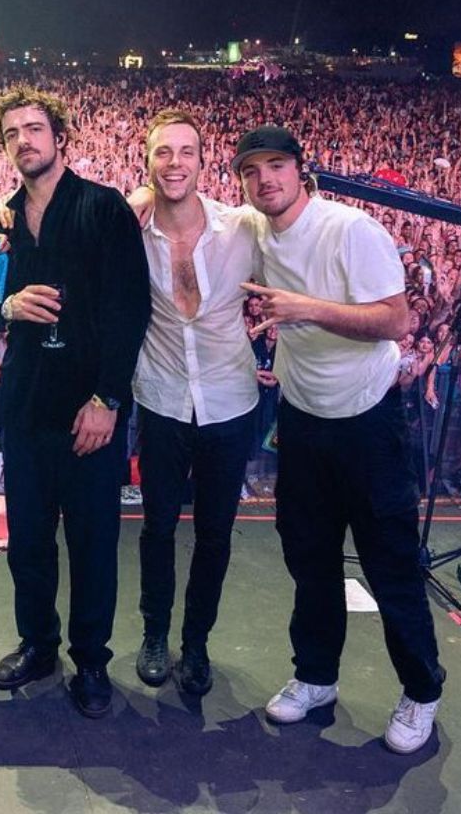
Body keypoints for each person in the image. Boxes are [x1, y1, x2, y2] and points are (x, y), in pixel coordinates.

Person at [234, 124, 444, 755]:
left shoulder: (349, 229)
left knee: (391, 564)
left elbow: (396, 320)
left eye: (276, 165)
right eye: (252, 170)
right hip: (302, 420)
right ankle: (315, 676)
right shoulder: (256, 230)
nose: (265, 179)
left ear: (302, 170)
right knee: (310, 559)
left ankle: (421, 690)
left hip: (369, 422)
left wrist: (308, 308)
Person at [0, 86, 150, 718]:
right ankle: (38, 644)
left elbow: (130, 308)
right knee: (28, 540)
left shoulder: (104, 209)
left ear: (60, 135)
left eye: (34, 128)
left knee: (91, 543)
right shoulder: (2, 221)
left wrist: (108, 398)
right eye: (11, 133)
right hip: (26, 407)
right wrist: (8, 305)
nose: (23, 140)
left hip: (90, 412)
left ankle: (90, 660)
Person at [128, 109, 259, 696]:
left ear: (205, 163)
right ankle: (156, 634)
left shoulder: (242, 229)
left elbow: (300, 223)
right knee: (156, 528)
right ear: (148, 161)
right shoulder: (129, 228)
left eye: (186, 152)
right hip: (159, 399)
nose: (174, 163)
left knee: (215, 534)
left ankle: (197, 643)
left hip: (230, 404)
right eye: (163, 152)